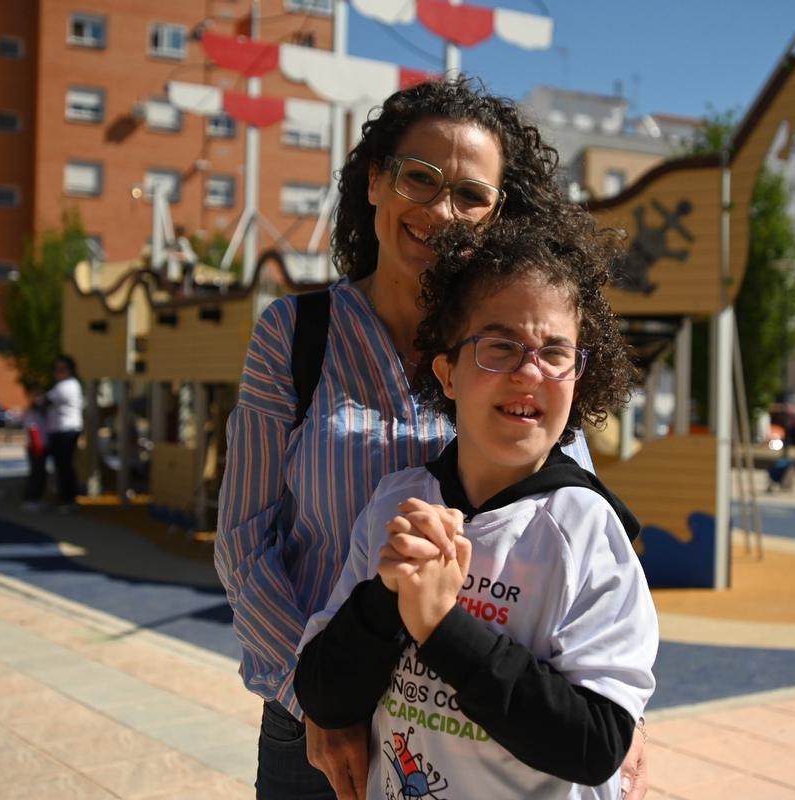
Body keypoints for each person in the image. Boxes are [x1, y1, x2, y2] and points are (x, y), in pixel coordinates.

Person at [214, 77, 651, 800]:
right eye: (420, 177)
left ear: (499, 213)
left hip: (483, 728)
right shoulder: (298, 337)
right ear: (377, 182)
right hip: (320, 728)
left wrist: (616, 705)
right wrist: (318, 702)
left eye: (472, 195)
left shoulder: (523, 355)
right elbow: (245, 541)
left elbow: (579, 509)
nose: (442, 211)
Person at [296, 216, 658, 798]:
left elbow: (595, 744)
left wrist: (443, 629)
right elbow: (324, 694)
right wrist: (385, 599)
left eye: (555, 353)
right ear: (448, 373)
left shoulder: (587, 530)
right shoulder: (398, 502)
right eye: (499, 346)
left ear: (579, 378)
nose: (528, 371)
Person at [45, 355, 84, 513]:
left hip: (65, 431)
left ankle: (67, 499)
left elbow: (43, 402)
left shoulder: (67, 385)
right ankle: (65, 497)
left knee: (64, 466)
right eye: (56, 368)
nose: (58, 372)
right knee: (62, 466)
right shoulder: (64, 385)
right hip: (62, 430)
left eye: (62, 368)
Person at [20, 382, 48, 511]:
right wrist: (37, 446)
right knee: (36, 473)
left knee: (41, 473)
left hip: (42, 446)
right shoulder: (31, 413)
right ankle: (30, 498)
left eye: (40, 395)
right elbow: (33, 431)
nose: (38, 399)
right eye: (35, 396)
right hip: (35, 447)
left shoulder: (43, 412)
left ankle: (37, 497)